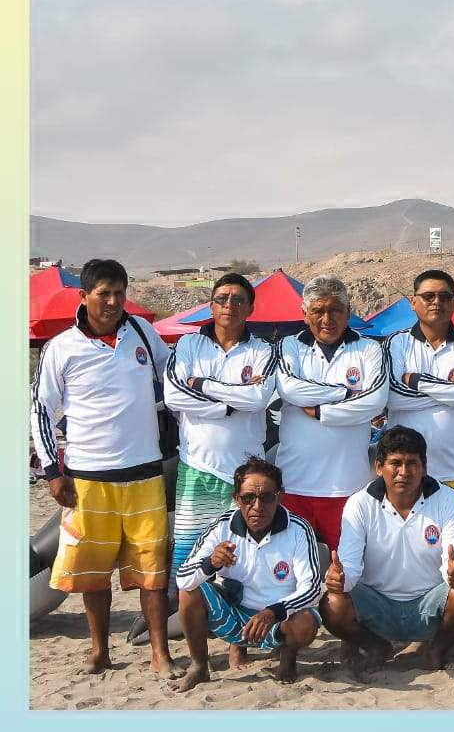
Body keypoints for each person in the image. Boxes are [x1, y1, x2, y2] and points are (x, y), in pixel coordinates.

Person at [30, 258, 175, 675]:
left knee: (152, 573)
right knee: (92, 576)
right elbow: (41, 410)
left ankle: (160, 654)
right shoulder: (61, 347)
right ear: (84, 296)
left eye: (119, 293)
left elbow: (173, 377)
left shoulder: (143, 333)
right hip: (87, 479)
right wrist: (52, 472)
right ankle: (100, 652)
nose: (113, 302)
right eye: (104, 293)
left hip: (145, 473)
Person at [320, 426, 454, 675]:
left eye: (412, 463)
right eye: (395, 463)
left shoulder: (447, 498)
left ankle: (436, 650)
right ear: (379, 467)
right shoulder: (360, 503)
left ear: (424, 467)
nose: (404, 472)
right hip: (377, 605)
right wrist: (340, 579)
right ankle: (376, 646)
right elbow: (350, 565)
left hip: (429, 602)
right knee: (332, 602)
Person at [163, 272, 278, 594]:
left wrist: (202, 385)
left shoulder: (263, 350)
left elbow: (258, 398)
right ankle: (183, 614)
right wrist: (227, 405)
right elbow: (173, 396)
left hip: (245, 475)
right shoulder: (189, 344)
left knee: (240, 556)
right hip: (197, 468)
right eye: (222, 299)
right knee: (189, 555)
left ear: (250, 308)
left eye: (238, 300)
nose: (230, 305)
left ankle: (232, 616)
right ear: (211, 305)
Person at [172, 456, 321, 691]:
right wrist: (210, 564)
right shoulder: (221, 526)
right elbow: (182, 578)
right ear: (236, 498)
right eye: (248, 498)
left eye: (267, 497)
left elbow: (311, 588)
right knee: (189, 592)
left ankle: (288, 659)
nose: (258, 507)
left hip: (277, 620)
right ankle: (199, 667)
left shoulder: (298, 529)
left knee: (305, 622)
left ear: (279, 497)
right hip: (234, 617)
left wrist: (272, 612)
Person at [275, 275, 388, 548]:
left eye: (335, 310)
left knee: (348, 568)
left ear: (348, 312)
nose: (327, 319)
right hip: (293, 483)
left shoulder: (369, 349)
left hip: (348, 486)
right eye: (318, 311)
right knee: (290, 566)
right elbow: (290, 390)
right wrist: (347, 393)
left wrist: (322, 413)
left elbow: (375, 401)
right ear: (305, 314)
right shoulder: (289, 346)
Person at [386, 269, 454, 553]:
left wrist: (415, 380)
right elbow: (393, 397)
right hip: (405, 476)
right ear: (413, 302)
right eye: (428, 296)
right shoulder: (397, 343)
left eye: (444, 296)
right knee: (409, 558)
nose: (436, 302)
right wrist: (450, 389)